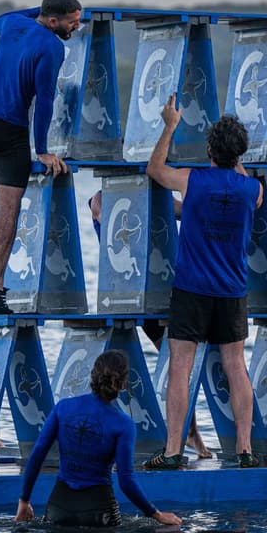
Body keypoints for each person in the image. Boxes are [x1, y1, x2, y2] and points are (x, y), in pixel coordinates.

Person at [143, 95, 264, 469]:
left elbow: (154, 169)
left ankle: (174, 450)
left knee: (181, 367)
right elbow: (238, 177)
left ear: (209, 148)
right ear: (239, 153)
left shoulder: (191, 180)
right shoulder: (253, 190)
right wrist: (233, 158)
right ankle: (244, 449)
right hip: (232, 290)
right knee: (235, 366)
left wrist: (170, 125)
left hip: (192, 288)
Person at [0, 0, 83, 314]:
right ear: (52, 21)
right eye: (71, 22)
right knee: (10, 210)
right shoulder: (52, 47)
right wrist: (44, 151)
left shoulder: (10, 23)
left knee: (6, 202)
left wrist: (51, 9)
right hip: (8, 129)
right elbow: (44, 101)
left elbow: (11, 17)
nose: (75, 27)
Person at [88, 188, 213, 459]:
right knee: (116, 371)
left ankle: (190, 433)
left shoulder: (160, 197)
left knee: (179, 368)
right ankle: (105, 436)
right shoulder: (104, 197)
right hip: (127, 294)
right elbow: (97, 207)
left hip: (165, 293)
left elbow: (184, 209)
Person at [16, 351, 182, 527]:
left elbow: (37, 456)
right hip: (99, 511)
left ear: (93, 376)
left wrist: (24, 501)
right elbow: (126, 481)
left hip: (59, 507)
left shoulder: (63, 408)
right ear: (123, 384)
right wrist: (156, 514)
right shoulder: (123, 424)